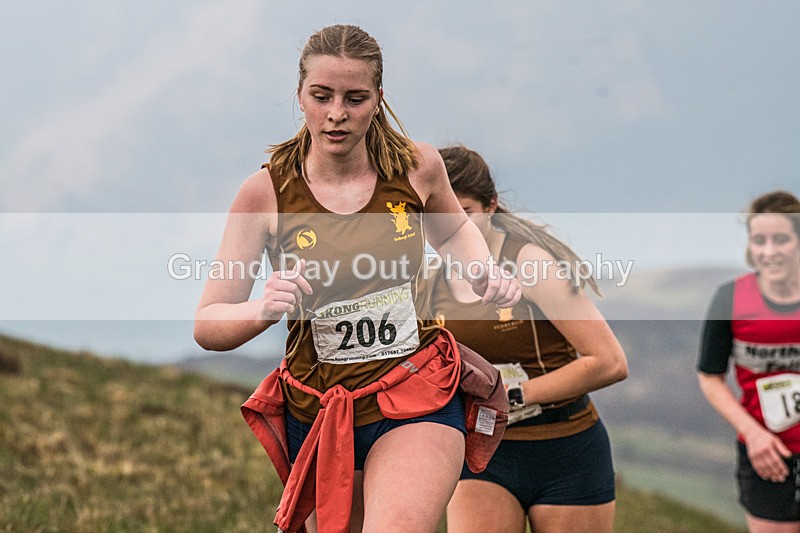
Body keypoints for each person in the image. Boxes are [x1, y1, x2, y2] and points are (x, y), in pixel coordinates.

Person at [194, 25, 520, 533]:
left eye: (355, 97)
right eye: (321, 96)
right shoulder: (265, 193)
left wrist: (480, 270)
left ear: (379, 99)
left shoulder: (418, 167)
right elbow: (209, 322)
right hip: (321, 411)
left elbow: (455, 230)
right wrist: (263, 309)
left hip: (416, 392)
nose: (337, 113)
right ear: (300, 96)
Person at [427, 146, 628, 533]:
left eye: (463, 212)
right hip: (482, 453)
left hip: (565, 449)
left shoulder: (531, 264)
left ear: (490, 206)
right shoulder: (428, 279)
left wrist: (515, 395)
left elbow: (610, 362)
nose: (448, 228)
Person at [698, 190, 800, 532]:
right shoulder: (731, 298)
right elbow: (710, 377)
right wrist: (753, 434)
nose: (769, 251)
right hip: (767, 457)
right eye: (759, 240)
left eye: (781, 239)